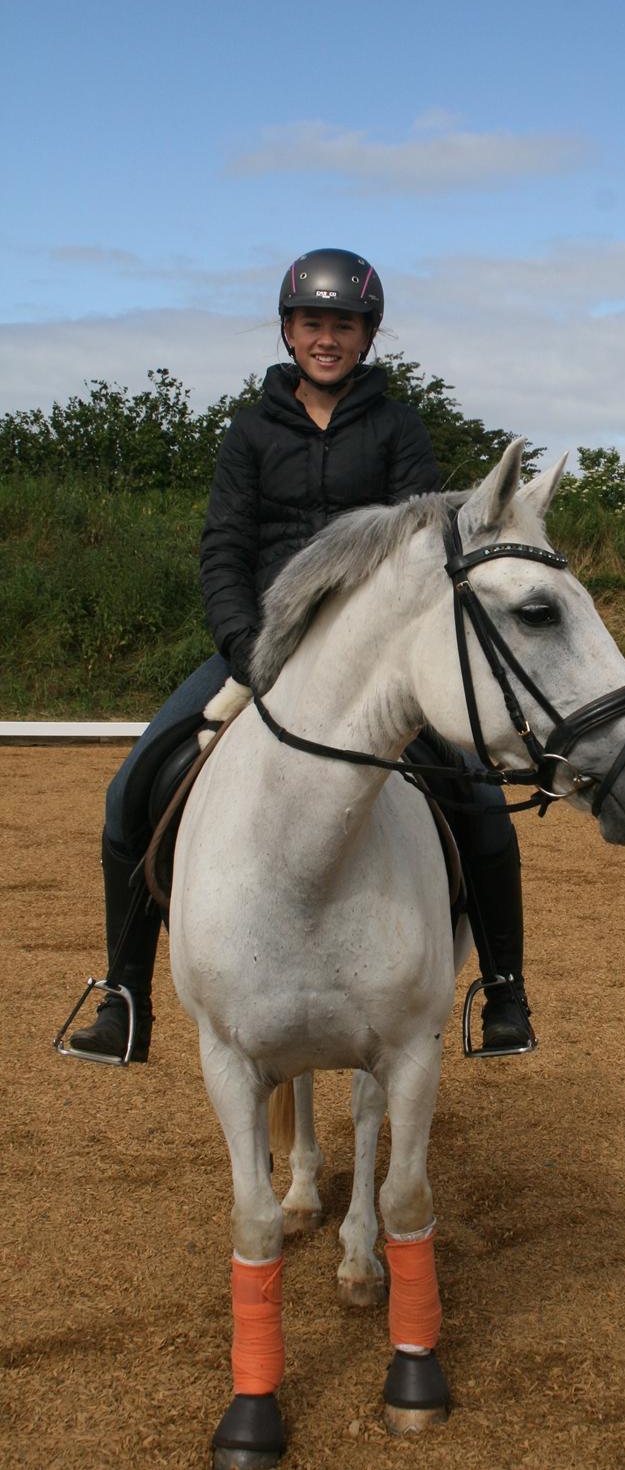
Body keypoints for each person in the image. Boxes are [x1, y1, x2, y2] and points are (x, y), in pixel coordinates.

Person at [69, 248, 532, 1062]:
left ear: (367, 337)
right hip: (260, 648)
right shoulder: (249, 431)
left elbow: (426, 540)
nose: (327, 338)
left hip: (374, 660)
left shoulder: (398, 426)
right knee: (134, 785)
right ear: (288, 331)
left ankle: (502, 990)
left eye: (343, 326)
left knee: (481, 800)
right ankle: (124, 996)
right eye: (313, 323)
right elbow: (224, 548)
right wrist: (246, 647)